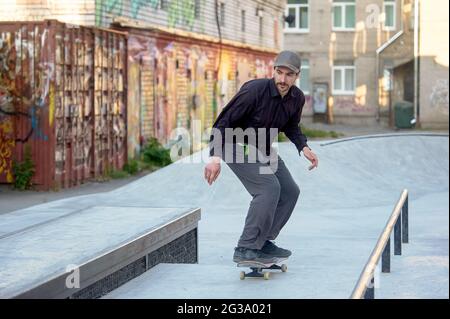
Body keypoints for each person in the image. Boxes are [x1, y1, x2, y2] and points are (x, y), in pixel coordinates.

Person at [204, 50, 319, 263]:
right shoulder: (254, 91)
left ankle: (263, 242)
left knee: (290, 191)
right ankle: (246, 247)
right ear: (273, 71)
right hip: (235, 144)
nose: (282, 80)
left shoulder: (296, 98)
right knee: (268, 188)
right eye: (279, 72)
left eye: (288, 75)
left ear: (297, 76)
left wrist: (303, 147)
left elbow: (291, 126)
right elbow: (223, 122)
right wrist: (214, 157)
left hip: (262, 148)